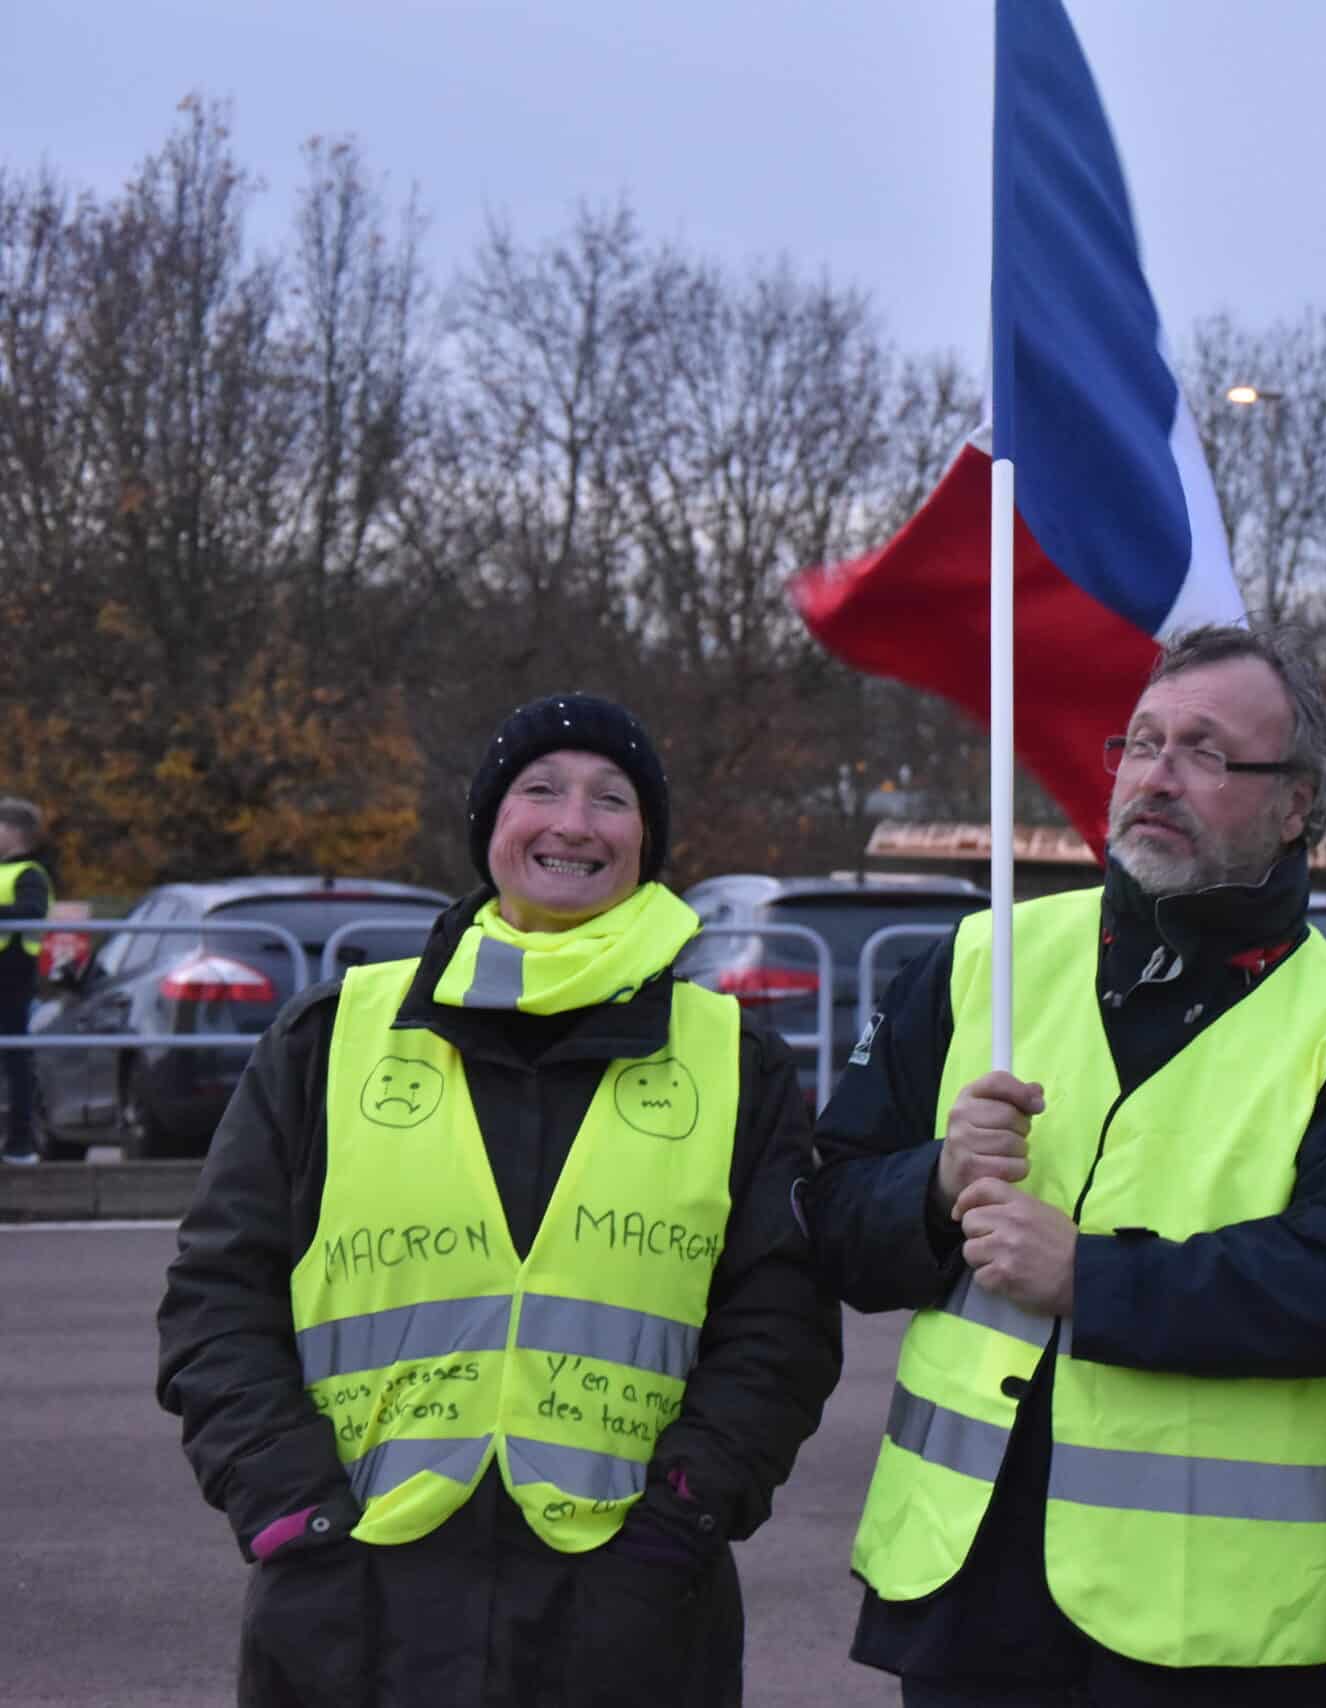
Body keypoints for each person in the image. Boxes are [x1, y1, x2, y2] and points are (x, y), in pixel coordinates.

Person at [156, 692, 843, 1708]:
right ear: (490, 825)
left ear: (645, 841)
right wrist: (288, 1515)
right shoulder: (329, 1035)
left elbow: (778, 1324)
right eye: (540, 789)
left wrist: (681, 1521)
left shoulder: (735, 1061)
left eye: (612, 798)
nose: (574, 821)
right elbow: (218, 1297)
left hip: (631, 1606)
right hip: (353, 1604)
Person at [806, 624, 1326, 1708]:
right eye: (1142, 742)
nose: (1155, 774)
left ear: (1296, 806)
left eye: (1204, 750)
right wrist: (933, 1184)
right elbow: (824, 1216)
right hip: (967, 1599)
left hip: (1221, 1628)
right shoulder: (979, 964)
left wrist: (1092, 1277)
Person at [0, 797, 51, 1165]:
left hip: (12, 979)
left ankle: (20, 1144)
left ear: (12, 831)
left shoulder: (30, 873)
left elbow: (30, 913)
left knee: (16, 1062)